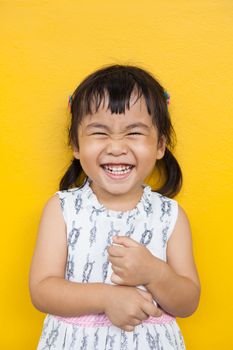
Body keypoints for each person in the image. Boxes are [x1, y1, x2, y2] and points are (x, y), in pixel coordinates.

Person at [29, 64, 200, 350]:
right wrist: (107, 298)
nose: (116, 147)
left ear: (160, 145)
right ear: (75, 145)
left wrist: (155, 273)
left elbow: (188, 302)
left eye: (134, 133)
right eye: (100, 133)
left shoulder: (170, 216)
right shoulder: (62, 209)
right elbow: (42, 290)